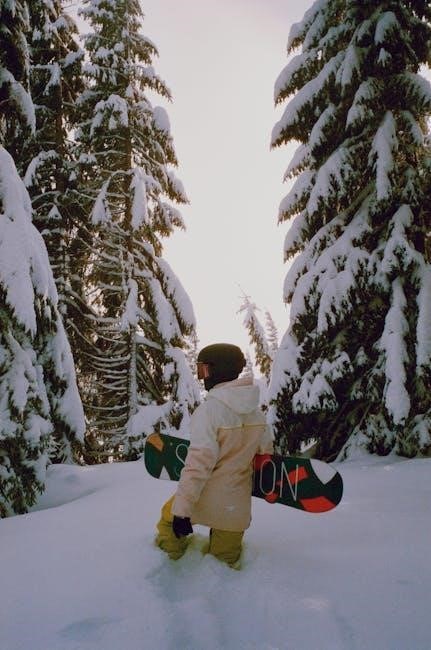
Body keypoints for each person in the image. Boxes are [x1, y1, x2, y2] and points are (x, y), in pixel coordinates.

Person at [155, 343, 273, 568]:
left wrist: (182, 511)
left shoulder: (209, 412)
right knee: (224, 566)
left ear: (217, 370)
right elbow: (265, 453)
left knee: (167, 525)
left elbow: (198, 465)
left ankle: (169, 570)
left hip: (203, 499)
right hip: (236, 509)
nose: (202, 377)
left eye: (204, 370)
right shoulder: (257, 414)